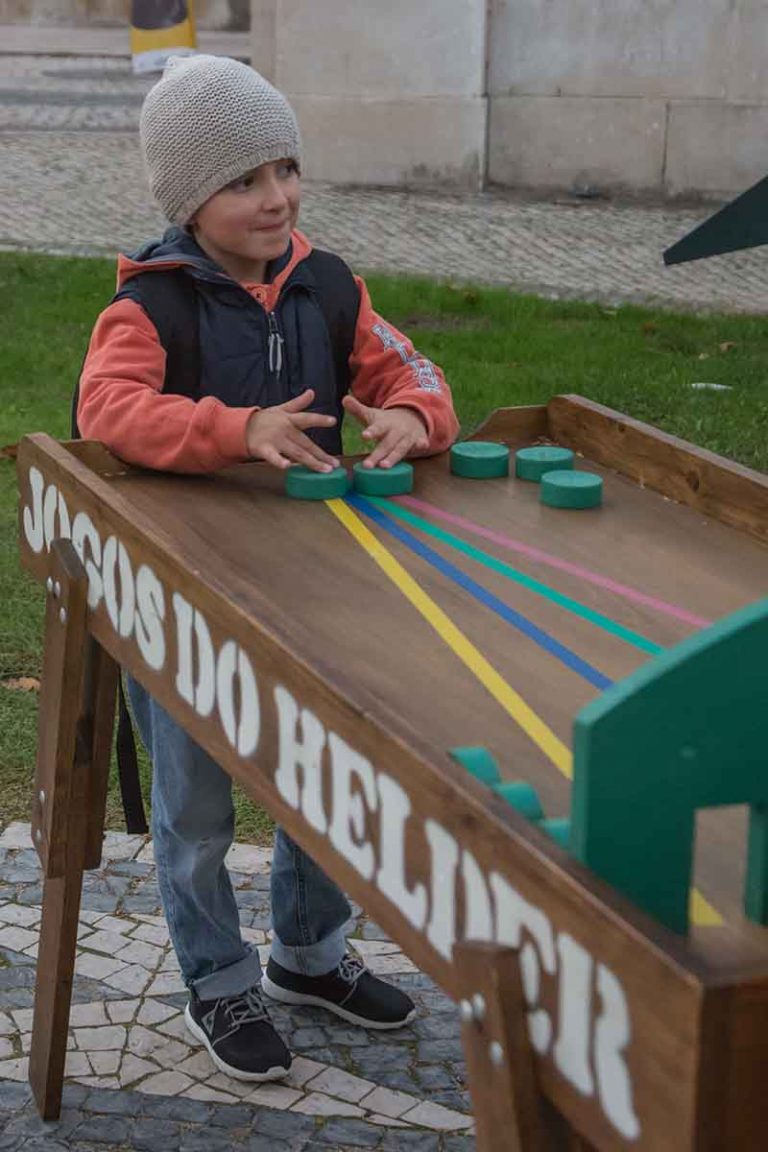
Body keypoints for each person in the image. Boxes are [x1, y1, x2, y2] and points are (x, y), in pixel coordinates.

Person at [77, 54, 460, 1083]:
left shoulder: (329, 284)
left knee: (326, 781)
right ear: (188, 196)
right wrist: (236, 429)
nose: (276, 197)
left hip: (322, 591)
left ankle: (309, 955)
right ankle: (217, 977)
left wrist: (411, 418)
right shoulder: (151, 306)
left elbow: (414, 372)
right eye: (244, 180)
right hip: (188, 597)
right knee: (197, 804)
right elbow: (105, 411)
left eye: (285, 168)